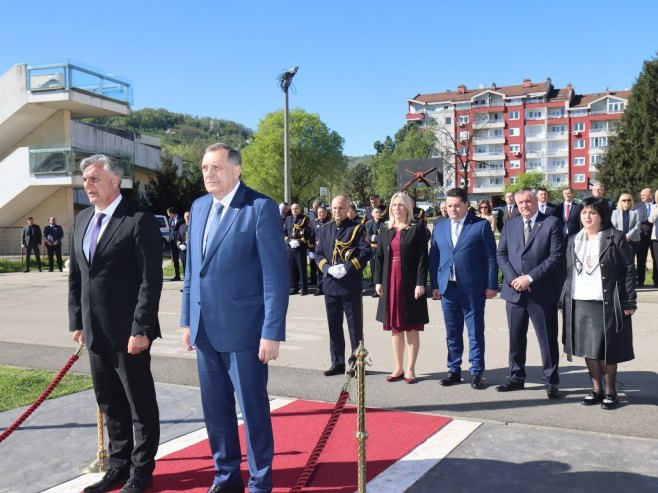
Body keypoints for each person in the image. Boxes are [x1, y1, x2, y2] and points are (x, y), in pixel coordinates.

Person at [180, 143, 288, 493]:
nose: (209, 174)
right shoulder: (198, 208)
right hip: (205, 331)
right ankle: (225, 477)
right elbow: (192, 271)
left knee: (253, 412)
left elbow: (275, 277)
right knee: (216, 412)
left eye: (216, 167)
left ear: (236, 170)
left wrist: (271, 331)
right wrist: (187, 320)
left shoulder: (259, 208)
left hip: (246, 332)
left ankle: (260, 482)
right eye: (204, 168)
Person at [69, 154, 163, 493]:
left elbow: (150, 281)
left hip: (129, 334)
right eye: (84, 179)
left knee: (139, 405)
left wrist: (142, 328)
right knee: (110, 404)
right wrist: (77, 321)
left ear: (115, 180)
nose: (87, 185)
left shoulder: (138, 219)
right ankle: (118, 466)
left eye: (94, 178)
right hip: (95, 333)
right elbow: (77, 277)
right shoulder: (81, 220)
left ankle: (141, 473)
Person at [561, 197, 636, 410]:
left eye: (592, 213)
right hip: (579, 301)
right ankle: (596, 390)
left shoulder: (615, 237)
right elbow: (566, 274)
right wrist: (562, 301)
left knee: (606, 349)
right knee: (588, 350)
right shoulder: (574, 239)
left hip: (606, 302)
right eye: (584, 212)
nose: (587, 216)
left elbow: (629, 270)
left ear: (602, 216)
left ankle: (611, 391)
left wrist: (629, 300)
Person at [496, 189, 564, 399]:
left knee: (547, 339)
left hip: (541, 292)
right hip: (514, 291)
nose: (525, 205)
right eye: (521, 203)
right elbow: (502, 254)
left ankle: (551, 381)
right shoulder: (510, 224)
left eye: (528, 201)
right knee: (516, 338)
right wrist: (514, 280)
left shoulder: (552, 223)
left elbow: (556, 256)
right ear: (516, 205)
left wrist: (529, 278)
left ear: (535, 201)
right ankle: (516, 377)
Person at [429, 188, 498, 389]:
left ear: (466, 205)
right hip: (447, 288)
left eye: (457, 205)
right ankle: (454, 370)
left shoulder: (480, 225)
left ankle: (476, 372)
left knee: (475, 331)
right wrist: (434, 284)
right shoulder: (440, 225)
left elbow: (490, 258)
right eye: (449, 205)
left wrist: (491, 285)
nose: (453, 209)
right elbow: (434, 257)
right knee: (452, 331)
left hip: (473, 288)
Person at [373, 193, 429, 384]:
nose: (397, 208)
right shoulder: (385, 229)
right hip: (390, 281)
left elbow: (423, 258)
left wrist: (421, 283)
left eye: (401, 205)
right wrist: (378, 281)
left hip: (410, 282)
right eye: (394, 205)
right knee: (396, 329)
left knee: (411, 327)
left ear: (407, 208)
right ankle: (398, 367)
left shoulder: (417, 228)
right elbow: (379, 257)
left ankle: (410, 369)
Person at [315, 195, 371, 376]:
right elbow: (319, 254)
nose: (337, 211)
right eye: (335, 208)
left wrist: (347, 267)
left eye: (341, 208)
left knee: (354, 327)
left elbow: (365, 253)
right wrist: (328, 269)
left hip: (350, 284)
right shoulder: (325, 229)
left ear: (348, 209)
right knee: (334, 326)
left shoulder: (357, 228)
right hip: (330, 285)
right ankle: (337, 363)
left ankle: (357, 364)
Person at [284, 203, 313, 295]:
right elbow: (284, 232)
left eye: (296, 208)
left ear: (300, 209)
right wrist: (288, 242)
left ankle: (304, 287)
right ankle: (293, 287)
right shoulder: (288, 219)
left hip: (300, 247)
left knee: (301, 268)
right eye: (292, 209)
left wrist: (299, 242)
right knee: (291, 268)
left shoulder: (305, 219)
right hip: (290, 247)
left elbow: (308, 233)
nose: (294, 210)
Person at [635, 187, 656, 287]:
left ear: (650, 195)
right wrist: (641, 227)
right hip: (641, 236)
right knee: (641, 259)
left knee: (656, 258)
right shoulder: (637, 206)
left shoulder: (657, 204)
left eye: (644, 195)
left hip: (655, 236)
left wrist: (649, 227)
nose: (641, 196)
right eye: (641, 195)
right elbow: (634, 219)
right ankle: (640, 281)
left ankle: (656, 281)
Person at [311, 205, 331, 296]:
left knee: (327, 268)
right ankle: (320, 288)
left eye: (322, 212)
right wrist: (311, 248)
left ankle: (328, 288)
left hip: (328, 248)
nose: (320, 214)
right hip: (318, 249)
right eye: (318, 212)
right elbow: (312, 235)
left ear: (326, 213)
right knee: (319, 269)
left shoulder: (330, 222)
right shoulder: (315, 222)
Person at [364, 207, 383, 295]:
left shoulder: (385, 223)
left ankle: (380, 288)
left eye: (379, 212)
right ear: (372, 214)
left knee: (381, 268)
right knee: (373, 268)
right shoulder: (368, 224)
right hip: (373, 249)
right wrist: (379, 239)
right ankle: (375, 286)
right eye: (376, 212)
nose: (378, 213)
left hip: (382, 249)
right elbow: (368, 236)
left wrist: (377, 238)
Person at [167, 207, 183, 281]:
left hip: (180, 241)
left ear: (171, 213)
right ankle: (177, 275)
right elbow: (170, 230)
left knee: (183, 259)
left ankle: (186, 275)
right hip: (173, 242)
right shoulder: (170, 219)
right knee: (175, 259)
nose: (168, 215)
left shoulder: (181, 219)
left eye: (168, 213)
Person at [177, 211, 190, 276]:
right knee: (184, 266)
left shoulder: (195, 226)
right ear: (184, 217)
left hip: (192, 251)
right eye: (186, 216)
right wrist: (179, 245)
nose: (187, 218)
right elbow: (178, 238)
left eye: (188, 216)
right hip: (183, 251)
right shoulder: (181, 227)